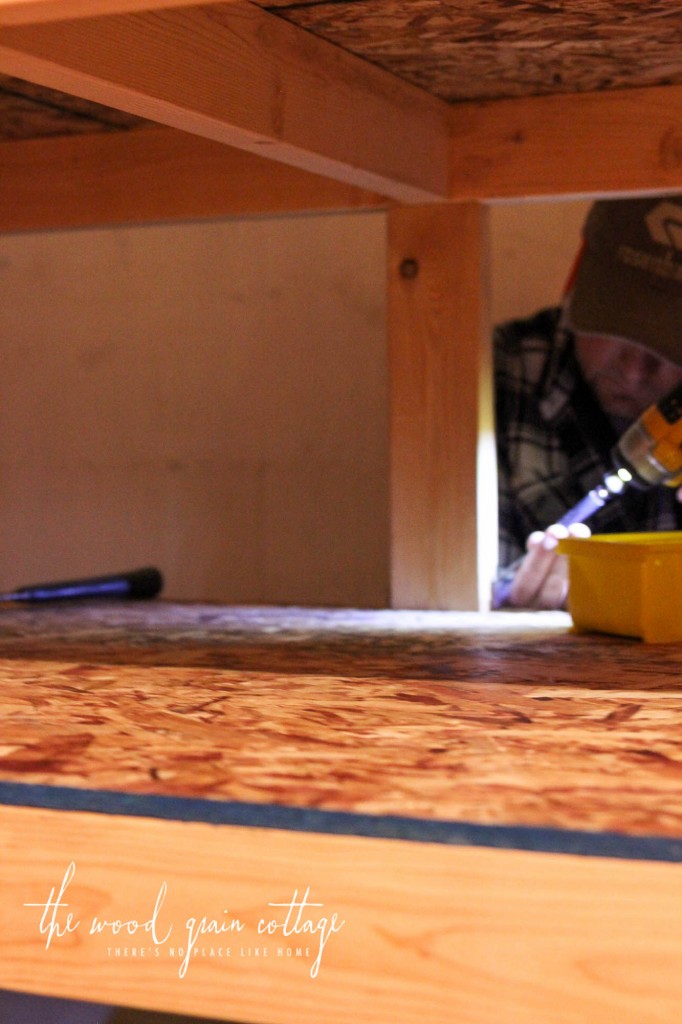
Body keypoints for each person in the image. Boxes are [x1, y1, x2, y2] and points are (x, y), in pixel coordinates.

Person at [494, 195, 682, 610]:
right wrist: (513, 610)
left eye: (672, 345)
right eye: (616, 325)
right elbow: (455, 601)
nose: (634, 370)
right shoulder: (499, 380)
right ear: (575, 283)